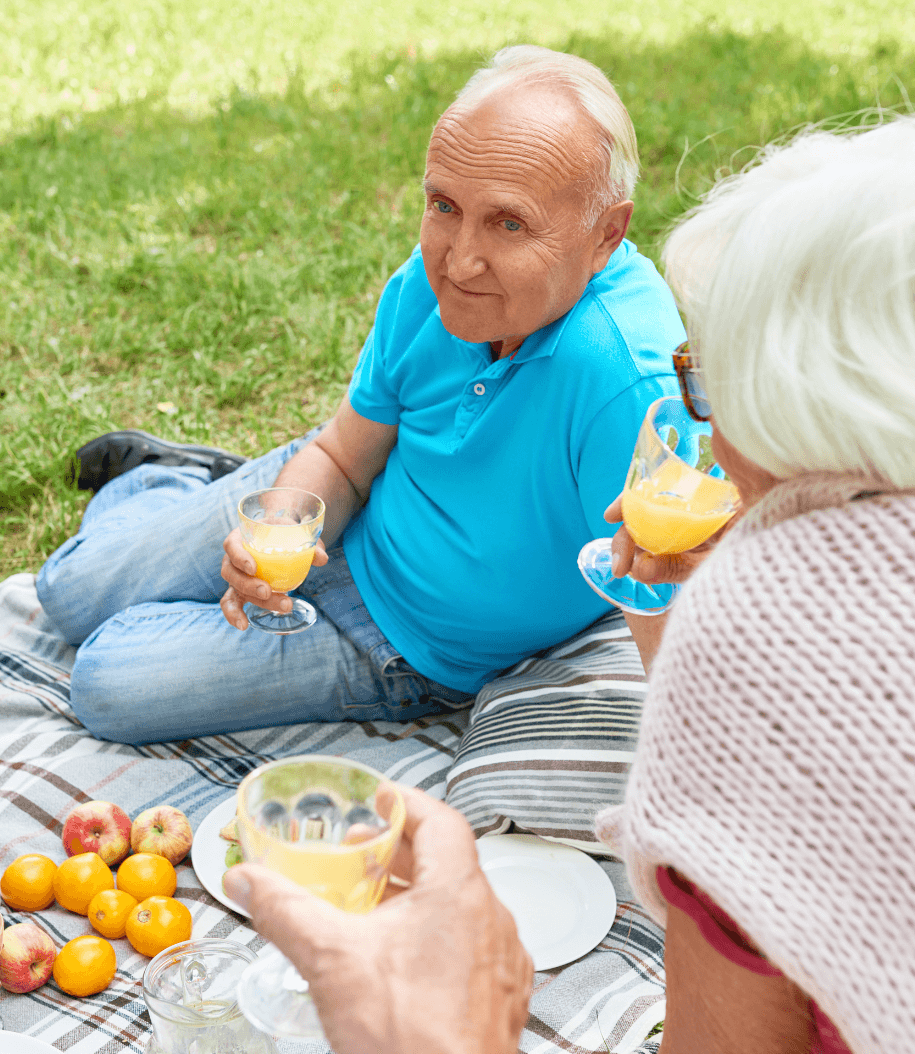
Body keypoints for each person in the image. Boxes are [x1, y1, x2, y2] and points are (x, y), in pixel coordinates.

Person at [226, 117, 915, 1054]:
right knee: (95, 580)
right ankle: (181, 480)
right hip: (360, 545)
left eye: (712, 390)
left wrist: (446, 1053)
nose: (707, 440)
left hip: (403, 638)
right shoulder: (423, 303)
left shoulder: (764, 615)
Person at [35, 45, 685, 743]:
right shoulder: (430, 284)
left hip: (401, 645)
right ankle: (174, 483)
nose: (459, 261)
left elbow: (665, 606)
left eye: (510, 223)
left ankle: (182, 488)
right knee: (66, 591)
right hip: (335, 510)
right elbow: (345, 456)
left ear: (605, 234)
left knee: (106, 680)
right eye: (444, 206)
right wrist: (281, 523)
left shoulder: (625, 381)